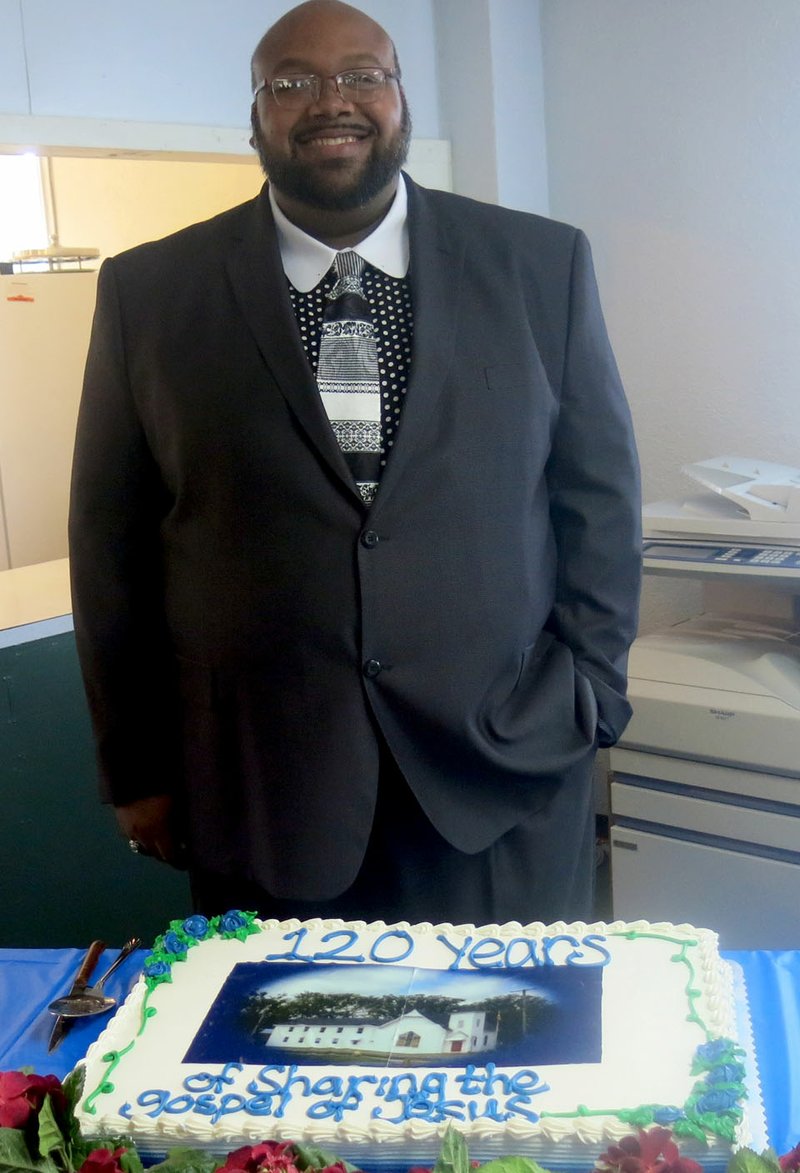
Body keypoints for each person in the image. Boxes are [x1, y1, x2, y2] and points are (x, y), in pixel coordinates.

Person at [69, 0, 641, 926]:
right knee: (284, 1059)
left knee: (510, 1054)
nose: (330, 101)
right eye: (290, 83)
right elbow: (112, 545)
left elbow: (600, 503)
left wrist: (591, 694)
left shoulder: (540, 264)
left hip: (501, 773)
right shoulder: (151, 292)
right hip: (260, 790)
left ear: (401, 98)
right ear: (254, 116)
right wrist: (135, 769)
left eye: (362, 75)